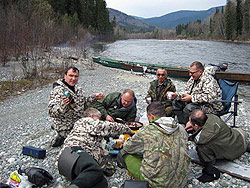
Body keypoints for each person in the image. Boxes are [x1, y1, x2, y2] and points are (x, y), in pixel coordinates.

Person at [117, 102, 190, 188]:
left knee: (124, 154)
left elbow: (128, 147)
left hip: (157, 184)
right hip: (180, 181)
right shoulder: (181, 128)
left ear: (151, 116)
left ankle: (140, 180)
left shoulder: (147, 131)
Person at [57, 108, 134, 188]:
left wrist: (98, 150)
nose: (100, 121)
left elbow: (91, 141)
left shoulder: (80, 126)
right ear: (92, 116)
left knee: (101, 182)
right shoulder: (87, 121)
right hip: (73, 152)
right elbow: (109, 126)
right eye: (99, 118)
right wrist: (128, 129)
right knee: (94, 170)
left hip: (66, 163)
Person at [48, 67, 104, 147]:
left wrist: (95, 97)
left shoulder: (78, 89)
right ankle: (62, 136)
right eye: (71, 76)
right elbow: (51, 112)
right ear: (65, 76)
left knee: (98, 125)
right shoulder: (58, 91)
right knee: (87, 139)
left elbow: (83, 104)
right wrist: (63, 105)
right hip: (66, 125)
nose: (73, 79)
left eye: (76, 76)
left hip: (78, 121)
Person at [186, 109, 250, 166]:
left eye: (190, 122)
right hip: (241, 136)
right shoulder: (214, 117)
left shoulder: (202, 143)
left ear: (196, 126)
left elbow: (209, 162)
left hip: (234, 153)